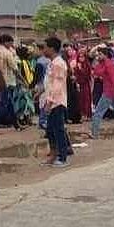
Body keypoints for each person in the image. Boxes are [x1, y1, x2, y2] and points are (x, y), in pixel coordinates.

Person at [41, 37, 72, 167]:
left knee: (58, 130)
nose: (43, 50)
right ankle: (53, 154)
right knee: (50, 130)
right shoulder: (52, 63)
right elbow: (49, 82)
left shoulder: (58, 63)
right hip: (50, 99)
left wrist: (50, 101)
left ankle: (62, 157)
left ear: (52, 48)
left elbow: (57, 85)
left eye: (45, 47)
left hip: (56, 102)